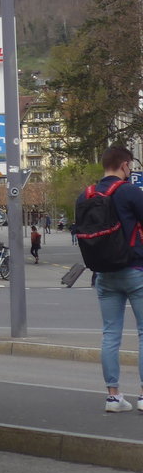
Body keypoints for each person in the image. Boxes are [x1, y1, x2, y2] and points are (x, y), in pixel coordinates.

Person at [76, 145, 143, 413]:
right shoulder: (128, 191)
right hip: (135, 270)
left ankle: (113, 397)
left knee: (110, 335)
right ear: (125, 165)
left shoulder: (86, 195)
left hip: (103, 274)